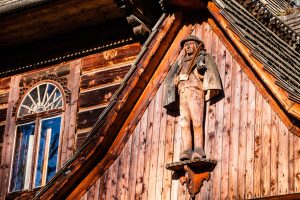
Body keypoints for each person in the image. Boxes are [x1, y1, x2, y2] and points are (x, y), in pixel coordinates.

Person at [164, 35, 222, 161]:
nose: (188, 47)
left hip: (195, 92)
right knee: (184, 123)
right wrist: (178, 79)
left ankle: (198, 149)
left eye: (190, 44)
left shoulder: (201, 58)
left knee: (196, 122)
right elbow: (172, 79)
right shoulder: (181, 62)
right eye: (186, 45)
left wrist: (199, 71)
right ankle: (187, 150)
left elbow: (205, 76)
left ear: (196, 45)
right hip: (183, 93)